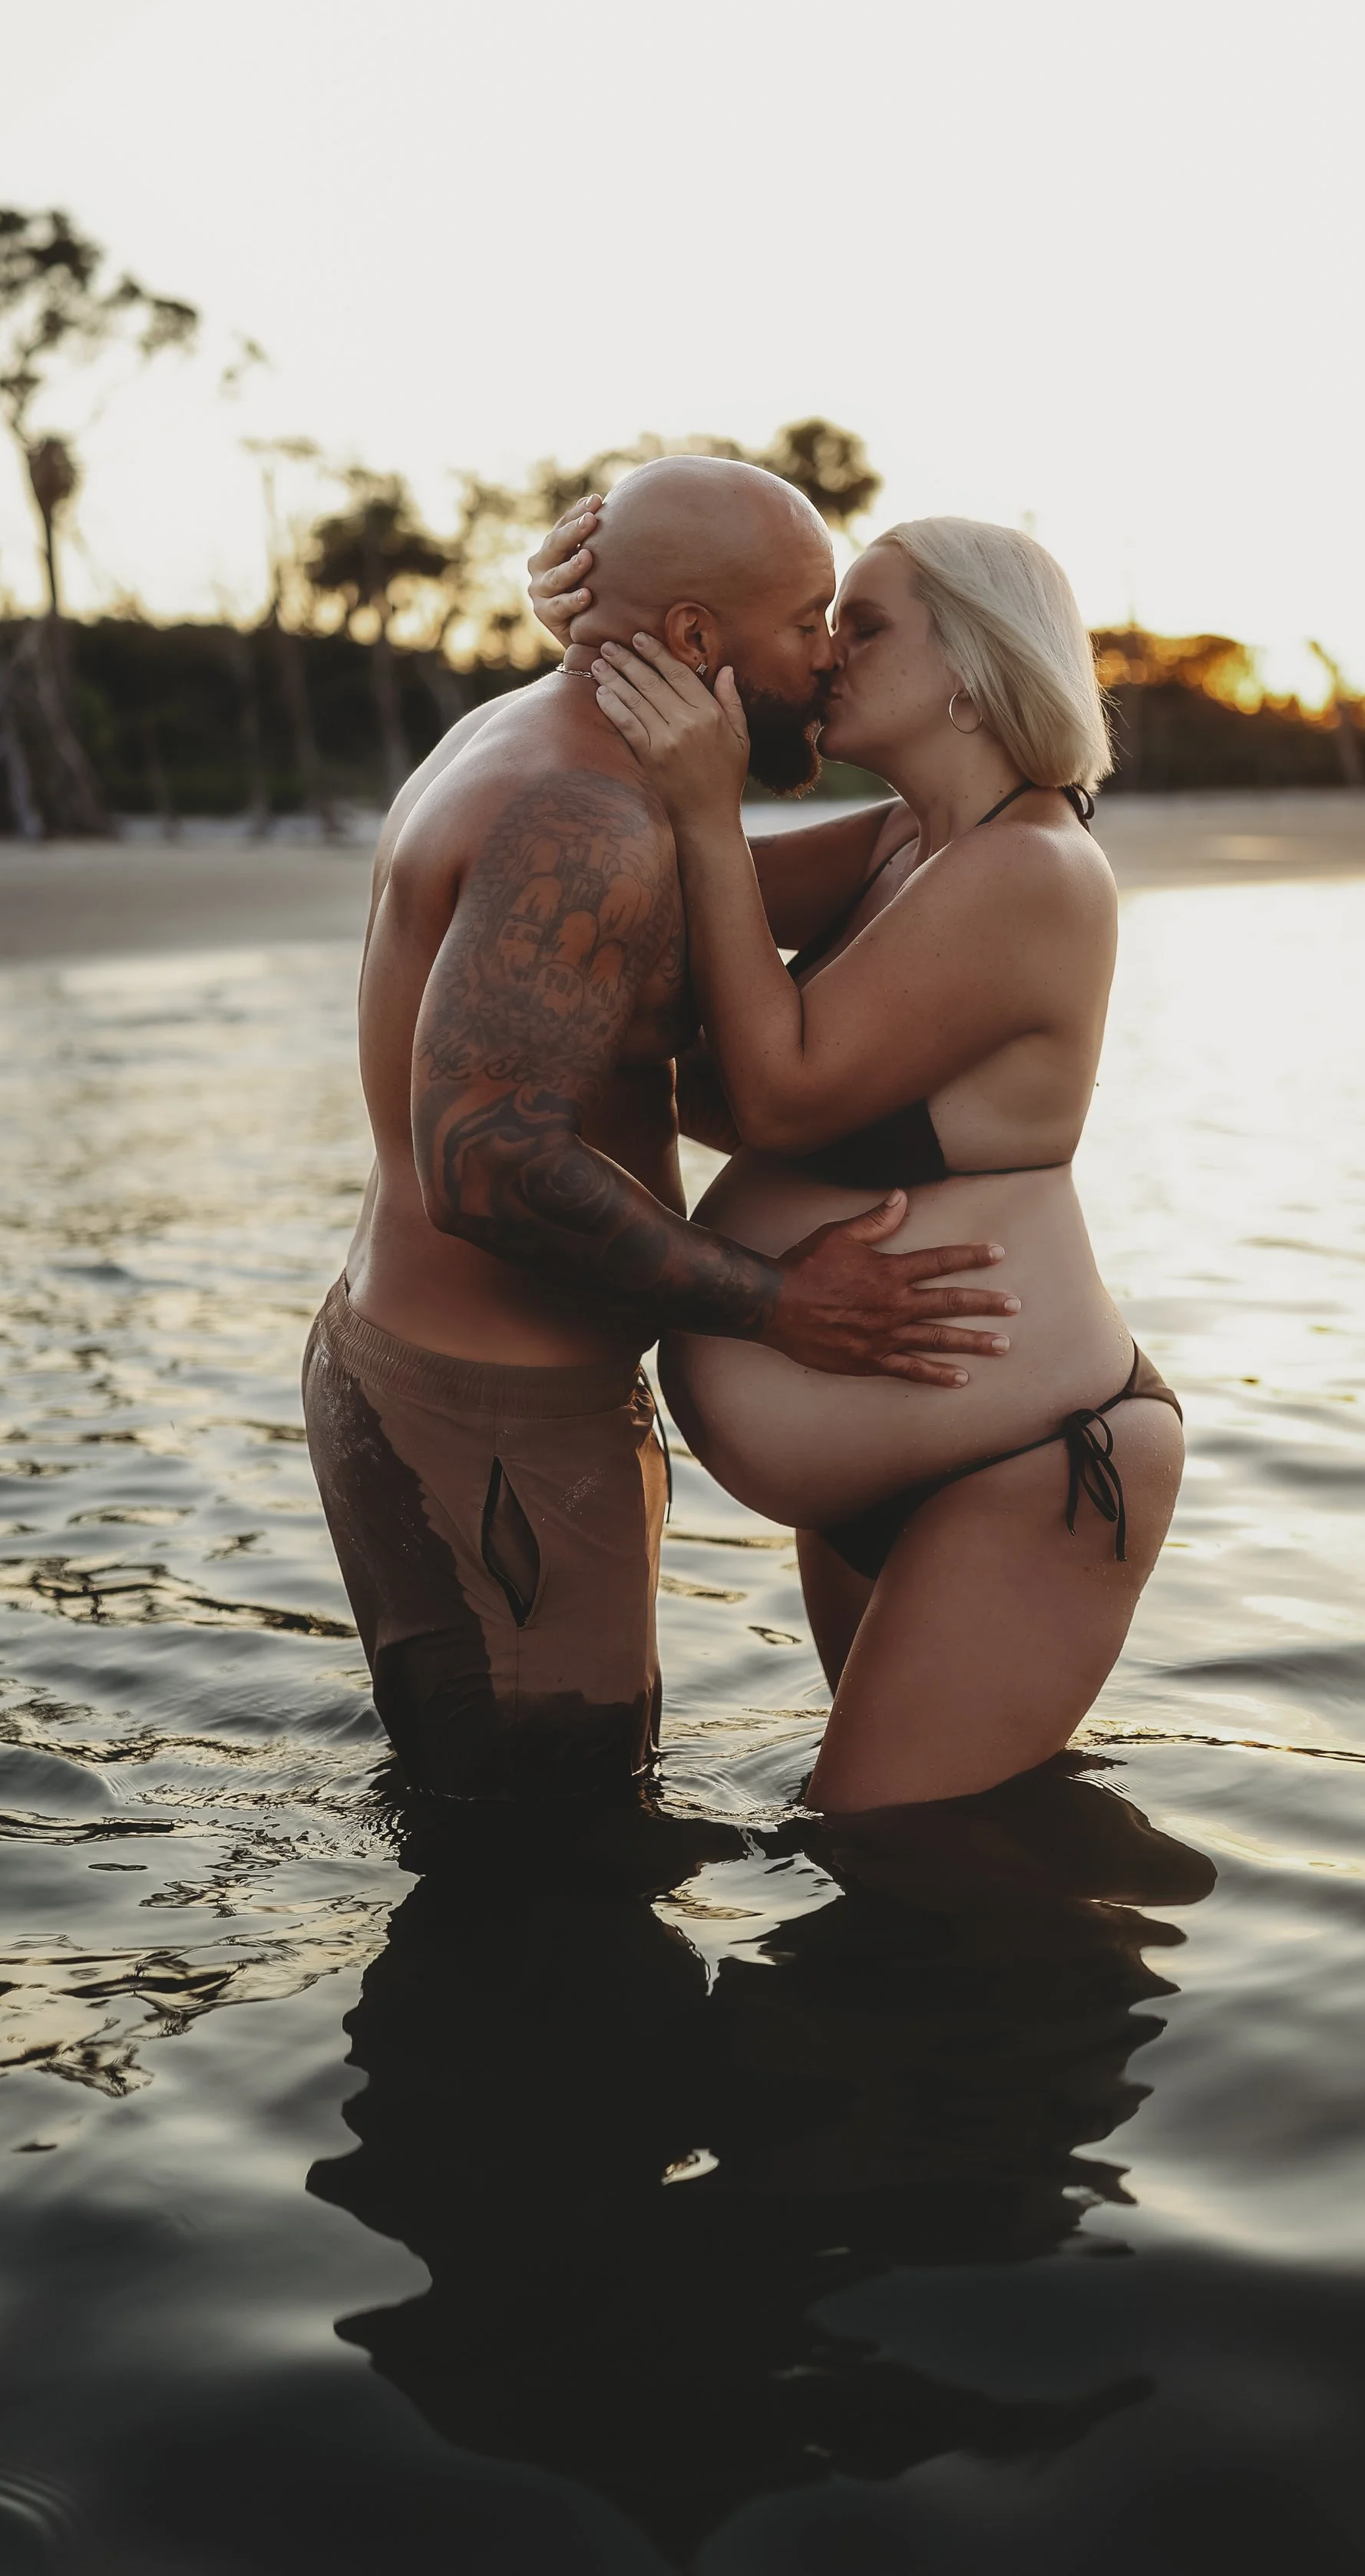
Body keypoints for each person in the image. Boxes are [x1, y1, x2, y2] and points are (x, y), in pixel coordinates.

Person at [302, 457, 1020, 1803]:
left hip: (484, 1397)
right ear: (694, 640)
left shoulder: (556, 745)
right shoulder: (585, 816)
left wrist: (1025, 773)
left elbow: (891, 862)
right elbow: (485, 1157)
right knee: (548, 1851)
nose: (824, 659)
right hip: (486, 1420)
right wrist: (777, 1303)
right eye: (810, 620)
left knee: (537, 1819)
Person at [535, 507, 1184, 1813]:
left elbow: (775, 1091)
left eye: (866, 622)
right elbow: (648, 901)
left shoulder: (1036, 871)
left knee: (906, 1867)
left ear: (973, 663)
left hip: (1030, 1467)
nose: (828, 651)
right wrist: (607, 642)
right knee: (916, 1867)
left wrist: (713, 808)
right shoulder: (908, 842)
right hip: (893, 1458)